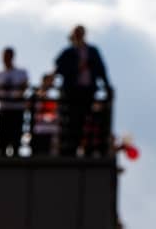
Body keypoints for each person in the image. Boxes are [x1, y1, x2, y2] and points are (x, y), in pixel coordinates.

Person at [52, 25, 111, 157]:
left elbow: (101, 70)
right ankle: (70, 149)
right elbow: (59, 67)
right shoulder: (68, 52)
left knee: (85, 120)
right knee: (72, 120)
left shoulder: (92, 51)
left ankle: (83, 148)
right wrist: (76, 67)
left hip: (87, 91)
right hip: (72, 92)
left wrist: (107, 86)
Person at [0, 47, 29, 157]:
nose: (5, 58)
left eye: (7, 55)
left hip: (17, 110)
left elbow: (24, 87)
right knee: (2, 140)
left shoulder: (21, 72)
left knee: (16, 139)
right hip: (3, 110)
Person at [29, 73, 60, 157]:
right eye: (49, 80)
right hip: (38, 131)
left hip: (51, 131)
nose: (51, 83)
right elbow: (29, 106)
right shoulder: (36, 94)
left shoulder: (55, 94)